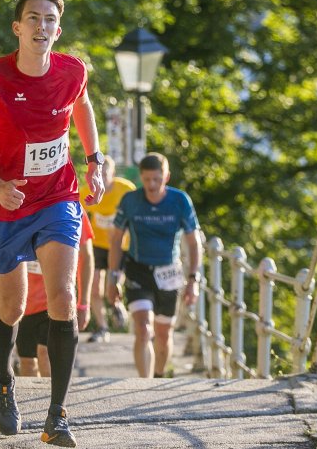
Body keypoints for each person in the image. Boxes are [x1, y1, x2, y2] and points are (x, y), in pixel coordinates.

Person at [0, 0, 105, 448]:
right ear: (18, 28)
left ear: (59, 30)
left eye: (50, 20)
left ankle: (57, 414)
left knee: (61, 295)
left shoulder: (72, 71)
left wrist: (94, 159)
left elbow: (82, 104)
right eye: (33, 19)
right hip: (5, 204)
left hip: (57, 196)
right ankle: (3, 378)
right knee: (12, 306)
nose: (42, 26)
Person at [106, 153, 202, 378]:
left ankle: (158, 375)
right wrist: (113, 278)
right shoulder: (131, 201)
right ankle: (144, 383)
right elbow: (116, 240)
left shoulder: (180, 201)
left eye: (157, 179)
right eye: (147, 179)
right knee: (142, 329)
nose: (151, 185)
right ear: (141, 177)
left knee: (163, 333)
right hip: (138, 269)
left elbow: (193, 242)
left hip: (169, 272)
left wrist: (193, 281)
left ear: (166, 177)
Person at [17, 209, 94, 377]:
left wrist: (84, 303)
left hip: (55, 298)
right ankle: (31, 402)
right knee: (27, 362)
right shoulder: (19, 203)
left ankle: (53, 401)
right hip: (24, 302)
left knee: (46, 355)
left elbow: (86, 257)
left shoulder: (72, 207)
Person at [80, 155, 135, 342]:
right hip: (96, 244)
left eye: (105, 174)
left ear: (112, 174)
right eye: (98, 174)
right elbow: (75, 212)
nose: (101, 178)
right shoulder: (87, 190)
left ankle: (116, 305)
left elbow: (135, 214)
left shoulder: (125, 189)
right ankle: (103, 327)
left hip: (120, 245)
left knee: (115, 283)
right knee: (95, 288)